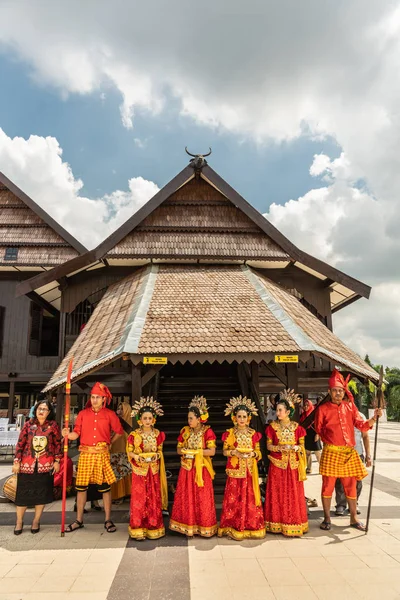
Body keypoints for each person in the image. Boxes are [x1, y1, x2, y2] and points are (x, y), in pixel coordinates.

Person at [315, 369, 382, 531]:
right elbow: (318, 429)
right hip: (331, 452)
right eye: (335, 391)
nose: (338, 393)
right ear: (329, 392)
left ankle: (354, 518)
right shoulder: (322, 409)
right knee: (328, 487)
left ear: (343, 392)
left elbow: (362, 425)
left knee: (351, 486)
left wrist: (374, 418)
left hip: (349, 453)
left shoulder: (350, 407)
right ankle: (327, 519)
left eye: (340, 391)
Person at [62, 382, 123, 533]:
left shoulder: (110, 414)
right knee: (81, 489)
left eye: (98, 397)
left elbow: (119, 431)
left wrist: (109, 443)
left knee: (105, 489)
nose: (95, 400)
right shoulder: (83, 414)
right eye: (93, 397)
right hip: (85, 454)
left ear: (104, 399)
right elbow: (76, 433)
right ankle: (79, 520)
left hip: (101, 454)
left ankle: (108, 520)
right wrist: (68, 435)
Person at [218, 395, 265, 540]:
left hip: (250, 471)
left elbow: (259, 453)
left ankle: (250, 525)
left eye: (244, 416)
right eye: (239, 416)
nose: (242, 419)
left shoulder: (253, 434)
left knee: (250, 498)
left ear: (249, 417)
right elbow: (225, 451)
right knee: (233, 499)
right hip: (235, 469)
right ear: (234, 417)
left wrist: (253, 453)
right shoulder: (230, 433)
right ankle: (232, 526)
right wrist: (234, 452)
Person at [170, 396, 217, 537]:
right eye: (188, 418)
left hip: (201, 469)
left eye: (191, 418)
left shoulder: (207, 432)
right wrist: (185, 451)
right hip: (187, 468)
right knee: (187, 496)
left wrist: (196, 452)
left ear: (199, 418)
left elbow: (212, 451)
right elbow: (179, 449)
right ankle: (186, 525)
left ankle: (204, 527)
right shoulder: (185, 431)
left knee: (202, 497)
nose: (188, 421)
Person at [12, 399, 62, 534]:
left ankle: (36, 521)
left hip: (45, 464)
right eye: (39, 408)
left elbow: (58, 444)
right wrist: (16, 461)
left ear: (49, 412)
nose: (41, 411)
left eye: (44, 409)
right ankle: (19, 521)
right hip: (27, 464)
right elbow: (20, 444)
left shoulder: (53, 426)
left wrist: (57, 461)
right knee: (22, 495)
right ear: (35, 410)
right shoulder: (28, 425)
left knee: (41, 494)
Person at [264, 390, 308, 537]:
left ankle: (294, 523)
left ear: (288, 412)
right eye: (277, 410)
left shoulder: (297, 428)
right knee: (278, 492)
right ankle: (276, 524)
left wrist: (296, 447)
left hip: (293, 464)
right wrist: (279, 448)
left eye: (280, 410)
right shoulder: (272, 427)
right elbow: (269, 446)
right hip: (277, 463)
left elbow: (302, 446)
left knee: (293, 493)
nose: (278, 413)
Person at [127, 396, 167, 539]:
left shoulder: (158, 434)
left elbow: (160, 450)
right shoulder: (134, 435)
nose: (148, 421)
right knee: (140, 497)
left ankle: (153, 527)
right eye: (145, 418)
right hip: (139, 469)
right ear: (140, 419)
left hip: (153, 469)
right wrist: (137, 457)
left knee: (153, 497)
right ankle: (138, 528)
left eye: (150, 418)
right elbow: (130, 451)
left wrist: (157, 455)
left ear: (153, 419)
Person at [335, 413, 371, 516]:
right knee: (340, 481)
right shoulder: (338, 414)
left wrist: (368, 455)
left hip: (357, 453)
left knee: (357, 481)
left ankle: (354, 503)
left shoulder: (360, 416)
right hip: (341, 453)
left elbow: (365, 436)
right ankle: (341, 504)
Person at [110, 401, 132, 504]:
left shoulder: (130, 424)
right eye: (118, 408)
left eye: (121, 409)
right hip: (115, 452)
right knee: (117, 474)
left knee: (125, 473)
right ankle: (117, 495)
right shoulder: (116, 422)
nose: (119, 411)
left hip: (125, 453)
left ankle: (125, 494)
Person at [300, 398, 322, 474]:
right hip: (307, 435)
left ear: (310, 406)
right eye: (305, 405)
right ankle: (309, 468)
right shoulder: (302, 415)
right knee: (307, 453)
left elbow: (319, 425)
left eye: (307, 405)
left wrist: (318, 434)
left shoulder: (314, 415)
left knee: (317, 453)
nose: (306, 407)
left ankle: (322, 468)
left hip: (314, 434)